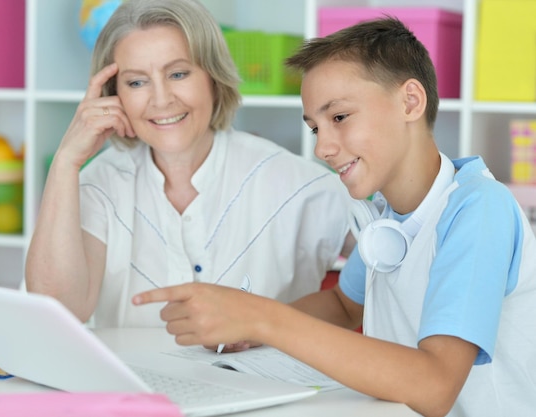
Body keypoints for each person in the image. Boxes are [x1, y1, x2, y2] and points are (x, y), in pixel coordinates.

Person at [133, 17, 536, 417]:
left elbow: (435, 385)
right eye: (314, 128)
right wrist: (245, 324)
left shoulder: (479, 209)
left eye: (339, 117)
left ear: (410, 102)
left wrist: (264, 319)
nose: (323, 148)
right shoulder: (383, 216)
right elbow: (345, 306)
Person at [25, 0, 352, 329]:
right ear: (113, 94)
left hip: (261, 381)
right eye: (137, 82)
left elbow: (390, 271)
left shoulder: (293, 182)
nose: (162, 99)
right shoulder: (98, 183)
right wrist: (66, 161)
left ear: (213, 76)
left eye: (178, 74)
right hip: (132, 381)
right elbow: (57, 313)